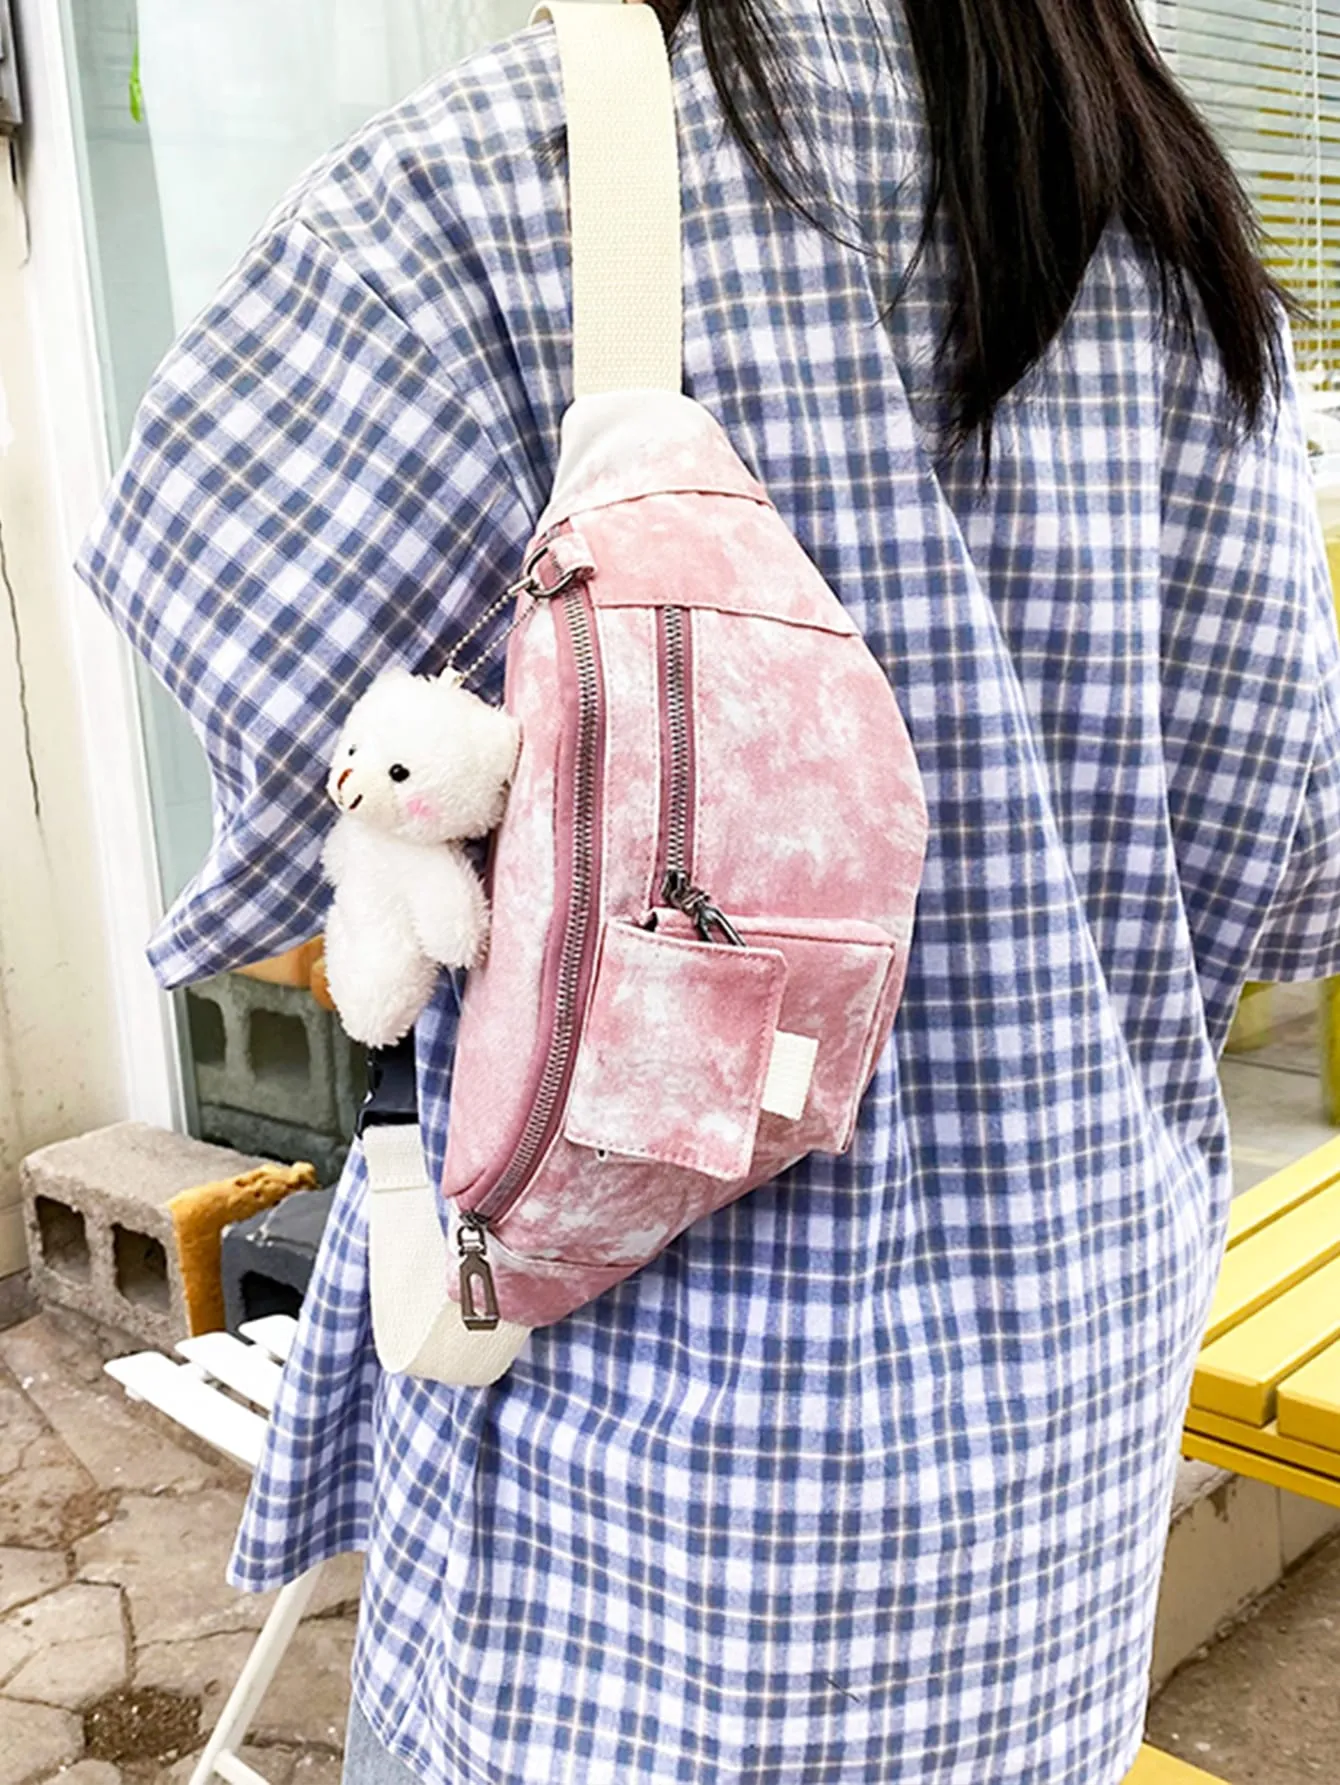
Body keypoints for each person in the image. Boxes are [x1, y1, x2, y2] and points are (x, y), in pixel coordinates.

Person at [77, 1, 1340, 1781]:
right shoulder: (1179, 257)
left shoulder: (472, 205)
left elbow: (303, 863)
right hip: (1055, 1463)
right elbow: (1283, 897)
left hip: (635, 1514)